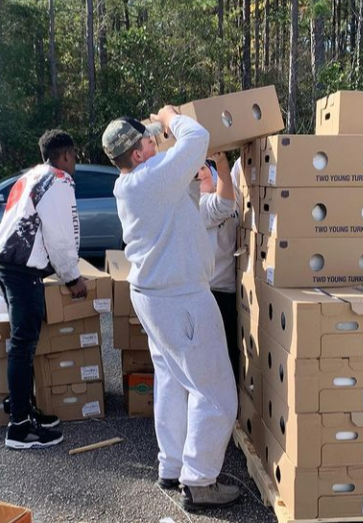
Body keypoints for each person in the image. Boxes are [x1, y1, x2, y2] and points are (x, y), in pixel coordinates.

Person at [102, 109, 240, 511]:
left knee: (172, 381)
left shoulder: (138, 185)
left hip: (155, 297)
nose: (155, 140)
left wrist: (213, 173)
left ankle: (172, 465)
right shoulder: (150, 178)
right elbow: (196, 138)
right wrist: (172, 117)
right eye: (149, 140)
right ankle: (199, 482)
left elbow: (209, 207)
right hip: (179, 299)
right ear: (139, 154)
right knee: (214, 393)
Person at [0, 129, 87, 449]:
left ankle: (25, 410)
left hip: (5, 263)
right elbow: (60, 235)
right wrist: (72, 278)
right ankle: (19, 427)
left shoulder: (32, 176)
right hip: (21, 269)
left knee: (23, 344)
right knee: (23, 345)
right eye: (74, 157)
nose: (75, 164)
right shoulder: (57, 180)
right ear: (67, 155)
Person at [196, 154, 240, 381]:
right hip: (214, 294)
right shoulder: (198, 205)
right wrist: (222, 162)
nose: (201, 173)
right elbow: (223, 205)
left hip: (232, 292)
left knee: (232, 355)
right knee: (221, 362)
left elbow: (241, 169)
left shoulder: (226, 187)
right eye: (194, 174)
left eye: (203, 167)